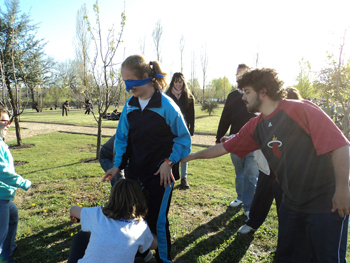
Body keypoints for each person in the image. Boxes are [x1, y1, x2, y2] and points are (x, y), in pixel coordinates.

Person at [181, 68, 350, 262]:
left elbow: (340, 145)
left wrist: (343, 189)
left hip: (325, 202)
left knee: (328, 258)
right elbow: (224, 148)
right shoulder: (256, 125)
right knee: (287, 257)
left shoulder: (301, 109)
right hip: (292, 202)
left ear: (263, 91)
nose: (243, 97)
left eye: (247, 92)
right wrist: (191, 157)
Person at [102, 55, 191, 263]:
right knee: (134, 217)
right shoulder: (130, 106)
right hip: (135, 174)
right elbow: (122, 138)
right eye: (124, 82)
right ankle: (142, 254)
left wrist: (169, 162)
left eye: (130, 82)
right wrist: (117, 166)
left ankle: (164, 259)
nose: (127, 87)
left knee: (157, 221)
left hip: (161, 176)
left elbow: (183, 140)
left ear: (145, 77)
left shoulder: (166, 106)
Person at [238, 86, 302, 235]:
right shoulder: (266, 119)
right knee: (260, 198)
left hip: (287, 175)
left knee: (284, 205)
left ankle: (285, 235)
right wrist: (231, 138)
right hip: (267, 170)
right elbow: (248, 135)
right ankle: (252, 222)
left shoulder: (297, 122)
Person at [67, 178, 158, 263]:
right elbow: (154, 245)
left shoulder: (97, 213)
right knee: (139, 260)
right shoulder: (140, 226)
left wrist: (78, 214)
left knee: (82, 235)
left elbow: (73, 210)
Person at [216, 64, 259, 218]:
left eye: (243, 75)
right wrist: (219, 136)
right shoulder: (233, 96)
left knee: (251, 175)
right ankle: (240, 197)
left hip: (253, 142)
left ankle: (249, 206)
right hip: (235, 140)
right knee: (239, 173)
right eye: (237, 75)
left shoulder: (255, 95)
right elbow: (225, 117)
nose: (239, 77)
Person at [0, 108, 32, 262]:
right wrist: (23, 182)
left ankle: (7, 251)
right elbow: (2, 171)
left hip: (4, 196)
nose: (9, 124)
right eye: (5, 121)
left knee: (13, 216)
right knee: (1, 233)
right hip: (0, 198)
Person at [166, 72, 195, 189]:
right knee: (171, 152)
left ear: (183, 82)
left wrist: (191, 130)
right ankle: (170, 175)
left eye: (180, 82)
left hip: (183, 130)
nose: (178, 84)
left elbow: (191, 116)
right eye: (176, 81)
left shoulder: (188, 97)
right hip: (169, 130)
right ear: (173, 82)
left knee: (184, 152)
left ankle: (184, 178)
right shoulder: (167, 95)